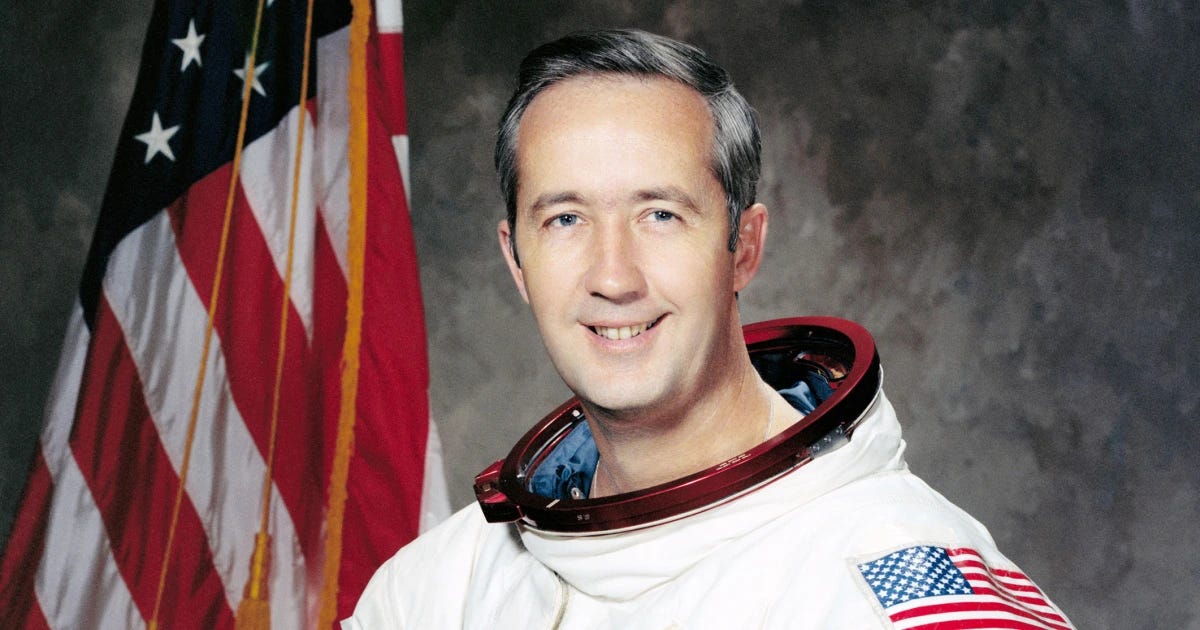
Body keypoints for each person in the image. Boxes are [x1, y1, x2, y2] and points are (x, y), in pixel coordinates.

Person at [344, 29, 1074, 629]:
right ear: (516, 261)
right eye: (565, 219)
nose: (614, 277)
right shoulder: (432, 593)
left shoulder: (894, 587)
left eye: (660, 214)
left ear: (743, 247)